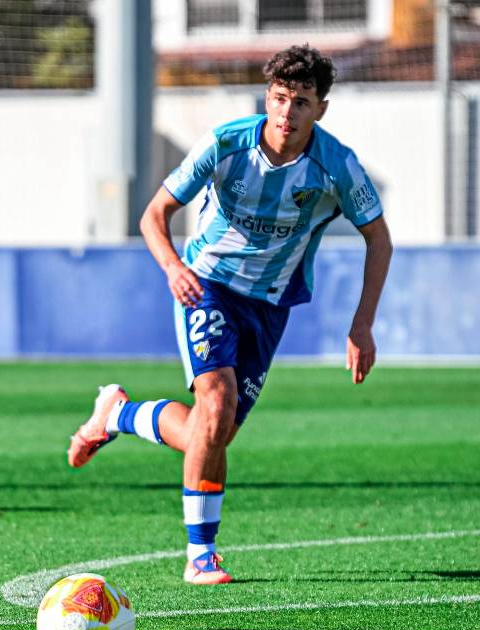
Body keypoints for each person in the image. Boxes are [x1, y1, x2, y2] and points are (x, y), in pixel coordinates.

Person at [68, 45, 393, 585]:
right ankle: (201, 555)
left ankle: (119, 414)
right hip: (208, 285)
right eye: (280, 98)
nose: (287, 113)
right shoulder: (226, 144)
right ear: (267, 97)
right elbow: (155, 214)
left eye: (302, 102)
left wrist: (362, 324)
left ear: (321, 109)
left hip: (271, 303)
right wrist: (174, 267)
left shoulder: (337, 165)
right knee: (215, 407)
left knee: (211, 433)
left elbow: (378, 240)